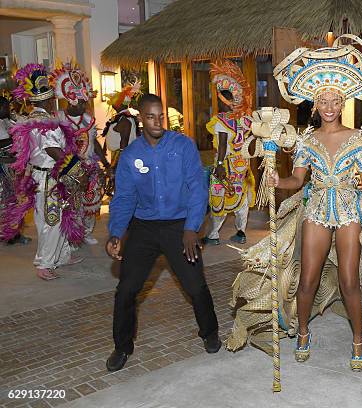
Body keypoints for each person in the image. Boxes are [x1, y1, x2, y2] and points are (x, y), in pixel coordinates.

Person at [226, 35, 362, 372]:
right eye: (323, 100)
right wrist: (277, 181)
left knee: (349, 279)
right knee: (308, 279)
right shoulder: (306, 140)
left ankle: (358, 339)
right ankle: (302, 332)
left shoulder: (359, 139)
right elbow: (297, 181)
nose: (329, 106)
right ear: (314, 105)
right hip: (316, 209)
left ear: (343, 102)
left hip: (349, 210)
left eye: (335, 100)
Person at [105, 93, 220, 372]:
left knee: (196, 286)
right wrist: (116, 232)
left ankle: (210, 332)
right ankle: (122, 347)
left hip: (180, 226)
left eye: (161, 116)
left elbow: (197, 188)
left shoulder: (183, 146)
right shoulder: (131, 155)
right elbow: (124, 198)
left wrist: (192, 228)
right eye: (151, 116)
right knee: (126, 290)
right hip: (144, 228)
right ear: (141, 119)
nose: (157, 121)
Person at [3, 63, 88, 280]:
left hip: (45, 176)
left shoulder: (35, 119)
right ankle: (44, 263)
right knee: (52, 220)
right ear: (49, 100)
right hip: (50, 178)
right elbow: (54, 150)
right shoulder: (44, 122)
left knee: (56, 217)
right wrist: (78, 171)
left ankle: (61, 255)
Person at [51, 61, 105, 245]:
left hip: (89, 166)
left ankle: (87, 232)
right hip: (68, 169)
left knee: (91, 202)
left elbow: (94, 141)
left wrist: (104, 162)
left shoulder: (89, 119)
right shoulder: (58, 119)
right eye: (82, 101)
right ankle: (72, 236)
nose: (85, 104)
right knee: (72, 205)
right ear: (72, 100)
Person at [202, 60, 255, 245]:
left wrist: (219, 165)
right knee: (241, 197)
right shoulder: (246, 119)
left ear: (225, 101)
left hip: (225, 165)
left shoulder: (221, 120)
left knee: (219, 197)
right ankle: (241, 232)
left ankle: (213, 235)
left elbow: (222, 145)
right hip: (242, 165)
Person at [0, 96, 31, 245]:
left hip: (14, 167)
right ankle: (7, 234)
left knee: (18, 201)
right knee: (6, 203)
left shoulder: (7, 120)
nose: (8, 108)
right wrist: (15, 138)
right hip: (3, 169)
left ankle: (16, 233)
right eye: (5, 106)